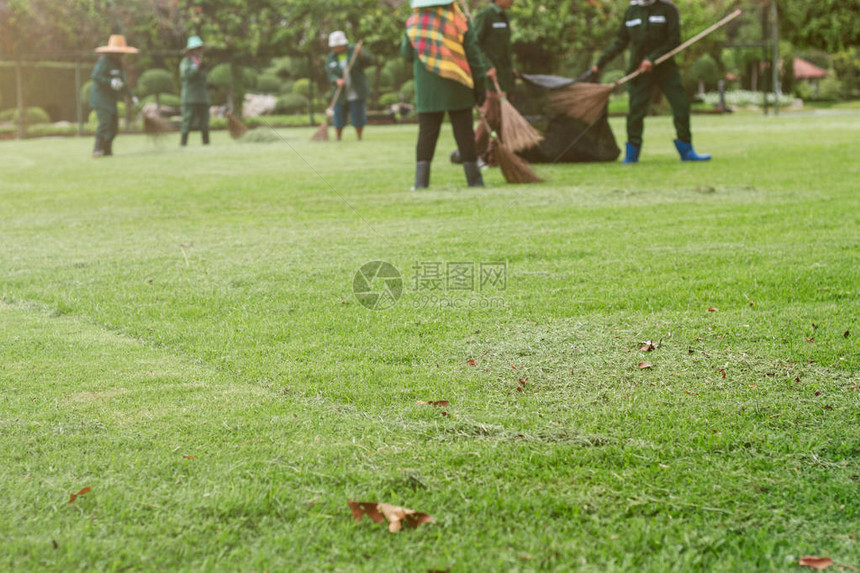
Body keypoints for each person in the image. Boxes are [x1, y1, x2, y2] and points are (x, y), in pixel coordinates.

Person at [593, 0, 710, 164]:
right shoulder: (631, 12)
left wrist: (652, 59)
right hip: (639, 71)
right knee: (635, 111)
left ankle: (687, 150)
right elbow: (620, 42)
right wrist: (600, 63)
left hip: (666, 69)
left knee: (681, 105)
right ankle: (632, 154)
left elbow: (674, 40)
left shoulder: (668, 9)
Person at [402, 0, 488, 190]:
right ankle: (475, 181)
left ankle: (420, 183)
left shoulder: (414, 21)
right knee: (465, 134)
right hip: (459, 85)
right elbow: (473, 56)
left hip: (427, 91)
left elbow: (406, 53)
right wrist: (480, 86)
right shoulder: (459, 19)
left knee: (427, 134)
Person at [470, 0, 516, 165]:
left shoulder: (504, 17)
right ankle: (472, 154)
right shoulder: (485, 16)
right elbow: (474, 45)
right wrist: (487, 66)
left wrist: (511, 69)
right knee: (490, 116)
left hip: (505, 77)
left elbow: (505, 49)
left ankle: (494, 157)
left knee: (503, 118)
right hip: (490, 77)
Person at [90, 35, 139, 158]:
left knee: (114, 127)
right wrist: (109, 81)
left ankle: (107, 150)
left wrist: (131, 96)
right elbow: (95, 76)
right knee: (105, 123)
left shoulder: (118, 64)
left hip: (111, 99)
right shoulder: (104, 61)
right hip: (101, 99)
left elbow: (122, 84)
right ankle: (97, 149)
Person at [325, 31, 372, 141]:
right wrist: (336, 80)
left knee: (357, 114)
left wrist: (361, 54)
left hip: (356, 89)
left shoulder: (354, 50)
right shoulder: (331, 57)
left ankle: (359, 137)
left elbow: (368, 62)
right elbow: (329, 72)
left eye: (338, 46)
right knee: (339, 115)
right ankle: (338, 137)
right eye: (334, 46)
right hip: (340, 91)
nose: (336, 48)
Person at [180, 36, 210, 146]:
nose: (199, 51)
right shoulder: (186, 62)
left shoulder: (202, 62)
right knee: (187, 121)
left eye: (200, 48)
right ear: (191, 50)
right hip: (190, 97)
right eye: (197, 48)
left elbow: (204, 79)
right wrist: (197, 68)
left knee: (205, 122)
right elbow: (185, 75)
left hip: (203, 96)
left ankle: (206, 142)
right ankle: (183, 143)